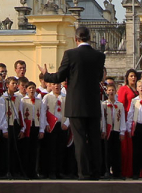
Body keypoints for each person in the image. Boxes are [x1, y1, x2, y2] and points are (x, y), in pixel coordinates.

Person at [39, 25, 107, 180]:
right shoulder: (99, 56)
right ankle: (97, 171)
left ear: (76, 39)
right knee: (95, 140)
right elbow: (98, 77)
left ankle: (83, 172)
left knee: (80, 139)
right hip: (93, 104)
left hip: (76, 105)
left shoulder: (70, 54)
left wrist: (46, 75)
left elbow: (60, 77)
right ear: (89, 38)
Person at [102, 77, 126, 179]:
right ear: (107, 92)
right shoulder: (103, 104)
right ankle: (107, 171)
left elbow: (122, 118)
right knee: (107, 152)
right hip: (107, 130)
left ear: (116, 91)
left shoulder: (119, 105)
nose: (111, 92)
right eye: (109, 90)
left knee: (117, 152)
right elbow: (102, 118)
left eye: (113, 90)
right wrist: (103, 130)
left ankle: (117, 172)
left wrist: (122, 131)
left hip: (116, 130)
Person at [117, 68, 139, 178]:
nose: (133, 78)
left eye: (134, 76)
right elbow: (120, 105)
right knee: (126, 147)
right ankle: (126, 171)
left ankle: (136, 170)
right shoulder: (123, 89)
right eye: (131, 76)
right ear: (127, 78)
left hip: (137, 119)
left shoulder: (138, 90)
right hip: (126, 120)